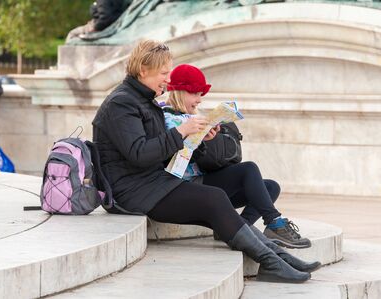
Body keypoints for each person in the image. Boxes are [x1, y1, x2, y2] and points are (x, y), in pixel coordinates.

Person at [92, 39, 318, 283]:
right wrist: (180, 132)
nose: (168, 80)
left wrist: (197, 140)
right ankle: (271, 261)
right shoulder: (121, 103)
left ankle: (277, 256)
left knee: (216, 201)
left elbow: (163, 155)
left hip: (152, 182)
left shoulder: (144, 101)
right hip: (131, 191)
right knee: (214, 198)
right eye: (164, 73)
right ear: (143, 70)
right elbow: (139, 153)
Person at [163, 64, 313, 249]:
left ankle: (236, 228)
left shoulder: (191, 116)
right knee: (248, 169)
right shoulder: (167, 118)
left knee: (271, 187)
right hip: (188, 187)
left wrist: (209, 138)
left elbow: (202, 157)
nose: (199, 99)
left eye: (201, 94)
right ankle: (274, 223)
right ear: (179, 92)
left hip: (203, 179)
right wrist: (196, 138)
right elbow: (172, 155)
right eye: (194, 93)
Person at [66, 0, 132, 42]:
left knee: (72, 34)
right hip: (115, 23)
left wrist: (95, 27)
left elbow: (105, 18)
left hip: (104, 27)